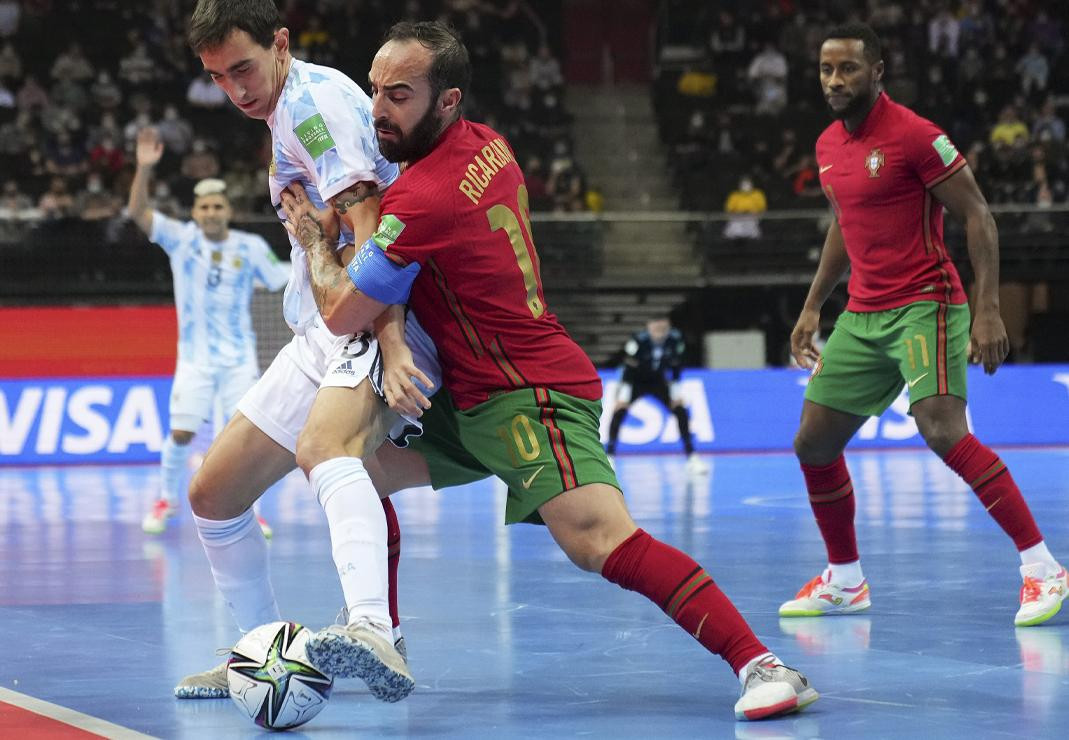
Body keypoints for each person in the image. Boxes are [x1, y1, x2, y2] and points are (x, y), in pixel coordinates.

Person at [279, 20, 818, 721]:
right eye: (375, 91)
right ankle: (381, 633)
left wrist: (317, 242)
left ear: (446, 101)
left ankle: (763, 664)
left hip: (526, 393)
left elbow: (343, 311)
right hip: (465, 396)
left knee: (597, 540)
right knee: (349, 466)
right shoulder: (487, 146)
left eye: (398, 95)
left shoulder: (422, 198)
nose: (377, 109)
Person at [174, 0, 441, 703]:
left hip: (366, 322)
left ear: (281, 44)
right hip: (322, 329)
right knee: (212, 494)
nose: (236, 89)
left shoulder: (312, 107)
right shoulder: (286, 110)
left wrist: (386, 339)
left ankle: (373, 630)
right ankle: (260, 655)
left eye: (244, 68)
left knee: (327, 452)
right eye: (219, 77)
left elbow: (372, 224)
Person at [778, 23, 1066, 627]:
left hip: (926, 303)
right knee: (813, 443)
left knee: (941, 429)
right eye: (827, 69)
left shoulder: (914, 136)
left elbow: (979, 216)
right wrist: (812, 306)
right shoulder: (828, 145)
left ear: (877, 71)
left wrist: (987, 308)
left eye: (848, 69)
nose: (835, 80)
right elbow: (844, 226)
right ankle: (845, 581)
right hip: (862, 312)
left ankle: (1042, 568)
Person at [127, 127, 285, 537]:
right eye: (205, 207)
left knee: (246, 438)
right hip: (195, 360)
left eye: (218, 206)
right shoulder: (181, 240)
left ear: (227, 210)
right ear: (195, 213)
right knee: (181, 432)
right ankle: (166, 499)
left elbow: (283, 276)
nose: (212, 213)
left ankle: (251, 508)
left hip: (238, 360)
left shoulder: (250, 247)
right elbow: (138, 214)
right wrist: (144, 170)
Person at [605, 317, 708, 475]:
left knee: (680, 411)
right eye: (655, 325)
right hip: (636, 381)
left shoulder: (675, 339)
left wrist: (675, 392)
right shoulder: (638, 340)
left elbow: (676, 366)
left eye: (663, 325)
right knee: (619, 412)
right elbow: (628, 365)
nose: (659, 329)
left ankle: (692, 457)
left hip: (658, 381)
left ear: (668, 325)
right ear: (648, 326)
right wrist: (623, 395)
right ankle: (609, 456)